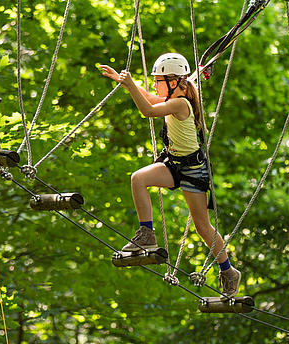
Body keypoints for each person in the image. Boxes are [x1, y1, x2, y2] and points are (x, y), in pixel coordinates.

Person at [99, 53, 240, 298]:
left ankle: (228, 271)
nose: (154, 84)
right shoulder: (172, 97)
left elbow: (148, 111)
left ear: (174, 80)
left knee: (202, 227)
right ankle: (147, 233)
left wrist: (131, 83)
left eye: (158, 80)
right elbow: (151, 99)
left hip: (193, 170)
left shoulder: (181, 103)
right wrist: (125, 84)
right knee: (138, 178)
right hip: (173, 164)